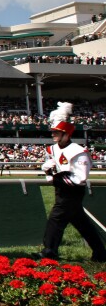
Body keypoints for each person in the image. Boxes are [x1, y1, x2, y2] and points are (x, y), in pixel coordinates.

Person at [39, 102, 106, 261]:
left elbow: (80, 178)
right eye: (53, 132)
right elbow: (55, 168)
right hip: (61, 189)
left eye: (57, 132)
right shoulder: (52, 149)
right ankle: (100, 252)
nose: (53, 135)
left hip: (72, 192)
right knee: (81, 222)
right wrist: (47, 169)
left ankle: (49, 251)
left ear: (66, 134)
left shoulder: (79, 152)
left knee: (56, 218)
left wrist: (54, 178)